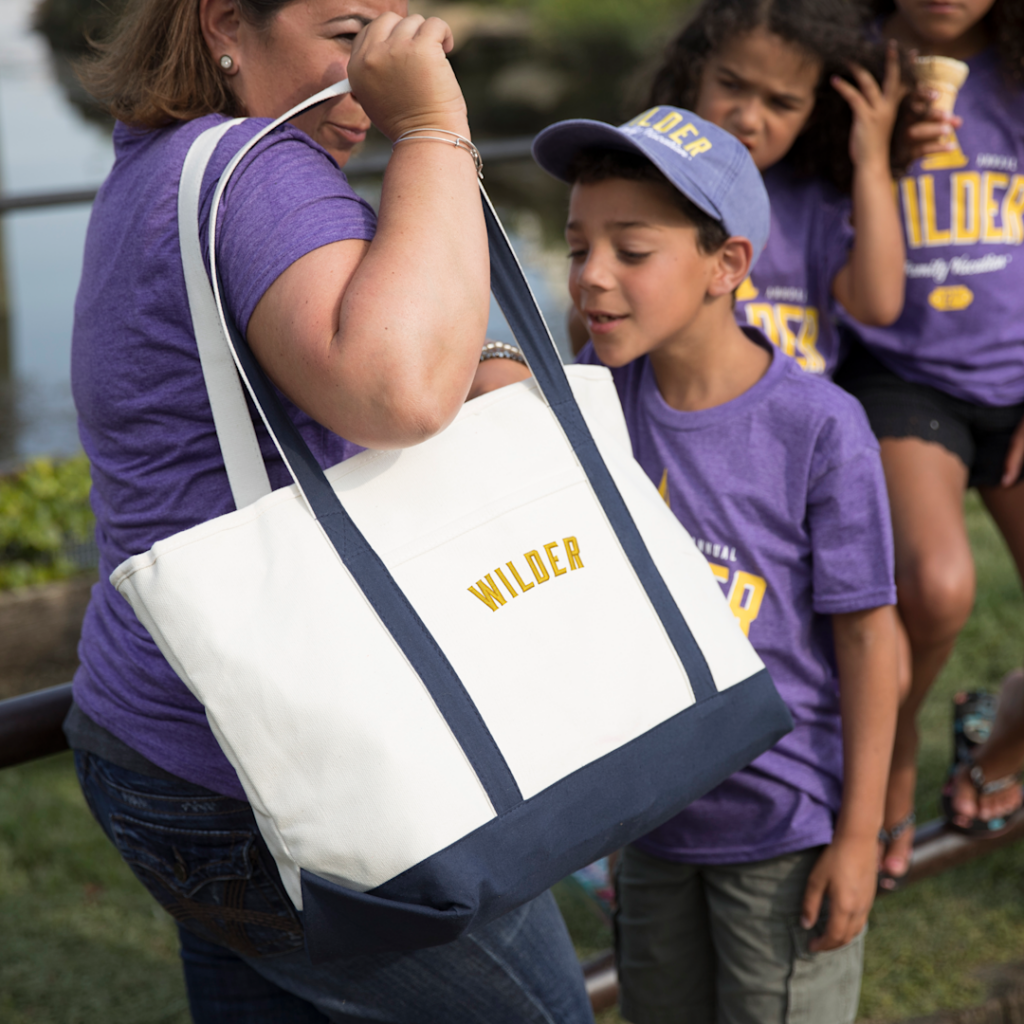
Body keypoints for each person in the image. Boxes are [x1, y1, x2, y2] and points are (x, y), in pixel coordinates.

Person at [64, 1, 585, 1021]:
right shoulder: (263, 169)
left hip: (158, 743)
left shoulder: (164, 164)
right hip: (288, 762)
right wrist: (434, 126)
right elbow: (393, 392)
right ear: (226, 23)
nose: (383, 65)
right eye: (348, 34)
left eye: (404, 31)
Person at [532, 108, 900, 1024]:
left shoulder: (819, 430)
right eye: (579, 248)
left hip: (782, 832)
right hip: (651, 831)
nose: (593, 278)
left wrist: (858, 837)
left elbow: (867, 640)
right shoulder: (595, 400)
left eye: (633, 249)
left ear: (725, 266)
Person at [834, 0, 1024, 887]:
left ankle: (991, 749)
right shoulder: (845, 61)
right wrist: (874, 151)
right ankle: (892, 756)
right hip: (902, 374)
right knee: (937, 588)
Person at [631, 0, 910, 377]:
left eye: (782, 103)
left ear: (815, 113)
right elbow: (586, 326)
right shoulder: (647, 188)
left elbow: (876, 305)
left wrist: (872, 161)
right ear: (697, 73)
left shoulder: (816, 202)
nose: (748, 118)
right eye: (731, 85)